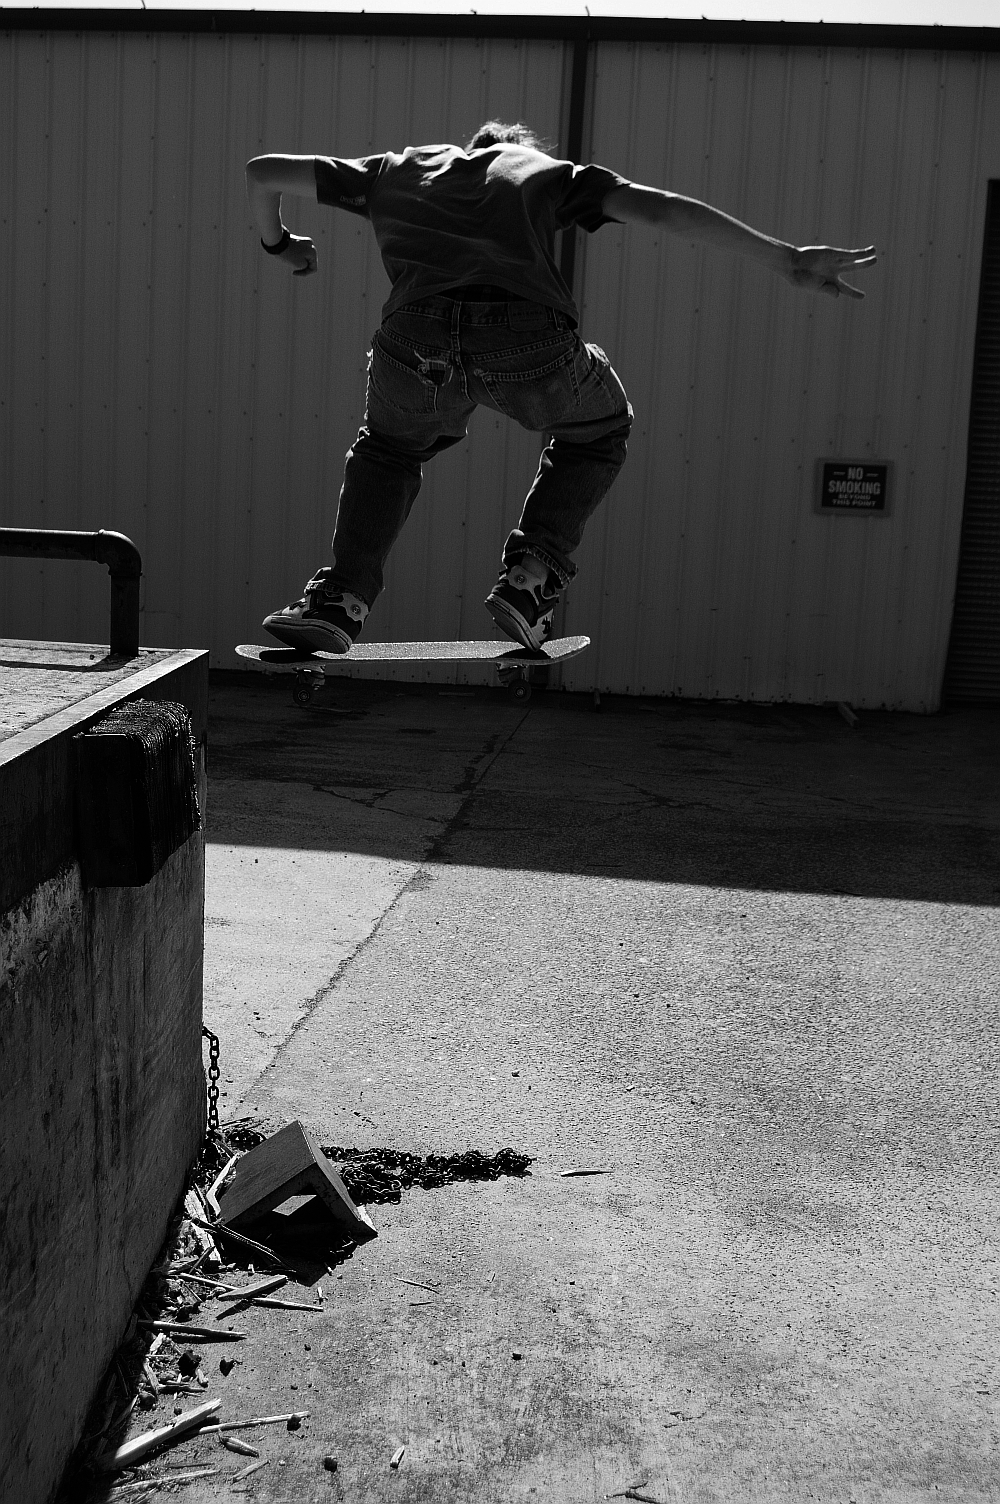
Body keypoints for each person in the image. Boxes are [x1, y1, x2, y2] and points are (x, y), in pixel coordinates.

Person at [245, 122, 875, 654]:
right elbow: (659, 208)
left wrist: (279, 246)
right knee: (597, 431)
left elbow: (263, 169)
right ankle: (530, 576)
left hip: (415, 339)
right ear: (516, 149)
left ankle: (338, 602)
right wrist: (787, 259)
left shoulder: (394, 169)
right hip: (526, 336)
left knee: (388, 450)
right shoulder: (543, 171)